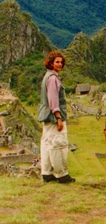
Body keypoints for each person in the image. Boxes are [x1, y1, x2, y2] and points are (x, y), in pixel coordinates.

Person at [37, 51, 75, 184]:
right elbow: (53, 99)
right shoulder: (53, 78)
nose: (59, 64)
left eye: (61, 62)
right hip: (54, 117)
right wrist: (58, 117)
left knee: (47, 143)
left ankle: (47, 173)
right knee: (58, 144)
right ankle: (62, 175)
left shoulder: (47, 76)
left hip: (46, 116)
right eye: (57, 62)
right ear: (51, 63)